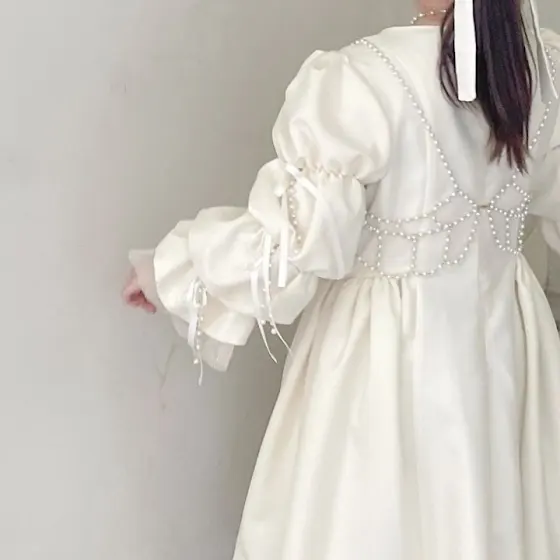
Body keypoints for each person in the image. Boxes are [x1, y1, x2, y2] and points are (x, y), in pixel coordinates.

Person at [123, 0, 560, 557]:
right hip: (506, 348)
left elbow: (292, 245)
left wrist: (174, 270)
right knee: (491, 512)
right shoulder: (537, 71)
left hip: (385, 354)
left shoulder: (365, 80)